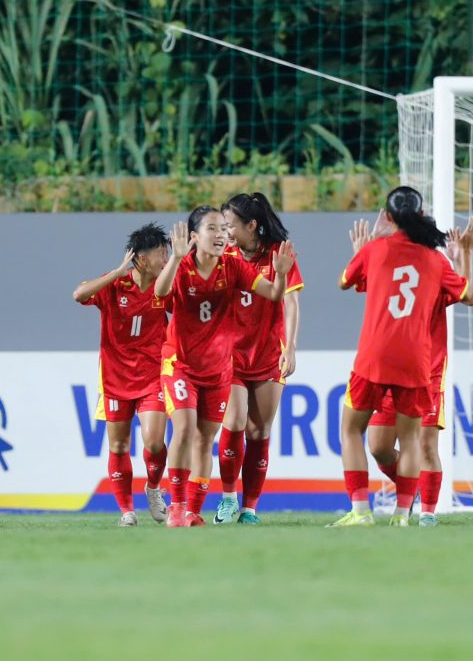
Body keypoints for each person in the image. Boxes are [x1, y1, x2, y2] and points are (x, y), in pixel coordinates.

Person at [329, 186, 473, 527]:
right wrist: (463, 258)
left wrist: (365, 248)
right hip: (416, 360)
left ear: (389, 217)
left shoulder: (376, 249)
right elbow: (470, 295)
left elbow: (343, 281)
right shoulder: (436, 260)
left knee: (351, 431)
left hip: (375, 356)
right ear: (421, 215)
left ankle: (361, 511)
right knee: (410, 440)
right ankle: (402, 515)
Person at [154, 206, 294, 528]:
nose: (221, 236)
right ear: (194, 237)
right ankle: (176, 505)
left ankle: (193, 511)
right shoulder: (182, 265)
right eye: (213, 229)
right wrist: (175, 258)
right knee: (185, 429)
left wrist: (282, 273)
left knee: (205, 439)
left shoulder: (233, 267)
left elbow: (273, 293)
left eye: (223, 229)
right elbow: (160, 292)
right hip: (180, 364)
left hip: (218, 370)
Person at [364, 214, 473, 527]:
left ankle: (427, 516)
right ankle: (411, 486)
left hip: (426, 369)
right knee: (378, 446)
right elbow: (363, 284)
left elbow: (465, 295)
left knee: (426, 445)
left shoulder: (434, 266)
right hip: (389, 369)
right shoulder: (388, 263)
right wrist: (372, 245)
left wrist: (465, 258)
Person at [212, 193, 303, 525]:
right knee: (233, 422)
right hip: (230, 355)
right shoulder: (223, 254)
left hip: (267, 354)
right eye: (222, 226)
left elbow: (291, 303)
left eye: (231, 225)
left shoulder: (279, 254)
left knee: (259, 432)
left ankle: (250, 508)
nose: (226, 231)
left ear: (252, 225)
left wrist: (290, 348)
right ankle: (227, 498)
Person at [73, 222, 172, 527]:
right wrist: (115, 273)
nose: (166, 261)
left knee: (154, 442)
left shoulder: (163, 287)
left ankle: (154, 489)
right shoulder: (115, 286)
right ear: (141, 258)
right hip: (115, 378)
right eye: (161, 255)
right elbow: (79, 294)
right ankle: (126, 510)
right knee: (118, 446)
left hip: (153, 375)